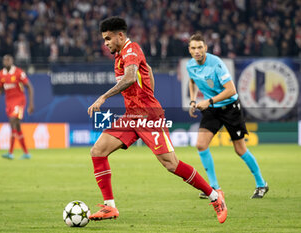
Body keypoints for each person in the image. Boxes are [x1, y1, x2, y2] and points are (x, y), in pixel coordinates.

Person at [87, 17, 227, 224]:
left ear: (120, 35)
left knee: (171, 164)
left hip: (149, 117)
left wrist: (104, 97)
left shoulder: (131, 50)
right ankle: (109, 206)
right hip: (131, 117)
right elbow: (149, 71)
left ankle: (215, 197)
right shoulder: (119, 57)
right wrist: (147, 94)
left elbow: (130, 78)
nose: (106, 43)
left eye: (108, 38)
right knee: (97, 151)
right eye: (104, 39)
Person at [186, 33, 269, 199]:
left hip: (230, 108)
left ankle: (261, 184)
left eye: (200, 47)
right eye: (193, 48)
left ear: (206, 48)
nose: (197, 51)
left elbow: (231, 90)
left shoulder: (216, 63)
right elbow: (192, 80)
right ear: (189, 50)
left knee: (240, 149)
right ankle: (214, 188)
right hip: (212, 109)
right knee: (201, 145)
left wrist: (208, 101)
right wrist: (193, 100)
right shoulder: (190, 65)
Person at [0, 55, 34, 160]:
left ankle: (10, 152)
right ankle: (26, 153)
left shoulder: (18, 72)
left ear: (12, 61)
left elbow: (29, 87)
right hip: (9, 103)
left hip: (19, 101)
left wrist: (31, 104)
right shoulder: (1, 74)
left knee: (12, 121)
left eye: (8, 60)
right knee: (17, 127)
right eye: (5, 60)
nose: (6, 61)